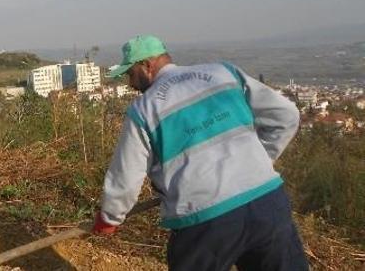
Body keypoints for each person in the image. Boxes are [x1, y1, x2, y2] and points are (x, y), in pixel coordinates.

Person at [92, 35, 308, 271]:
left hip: (206, 221)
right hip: (267, 204)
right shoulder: (224, 73)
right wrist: (259, 160)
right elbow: (287, 115)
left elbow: (126, 175)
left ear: (147, 65)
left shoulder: (145, 109)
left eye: (130, 74)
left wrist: (109, 218)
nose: (130, 83)